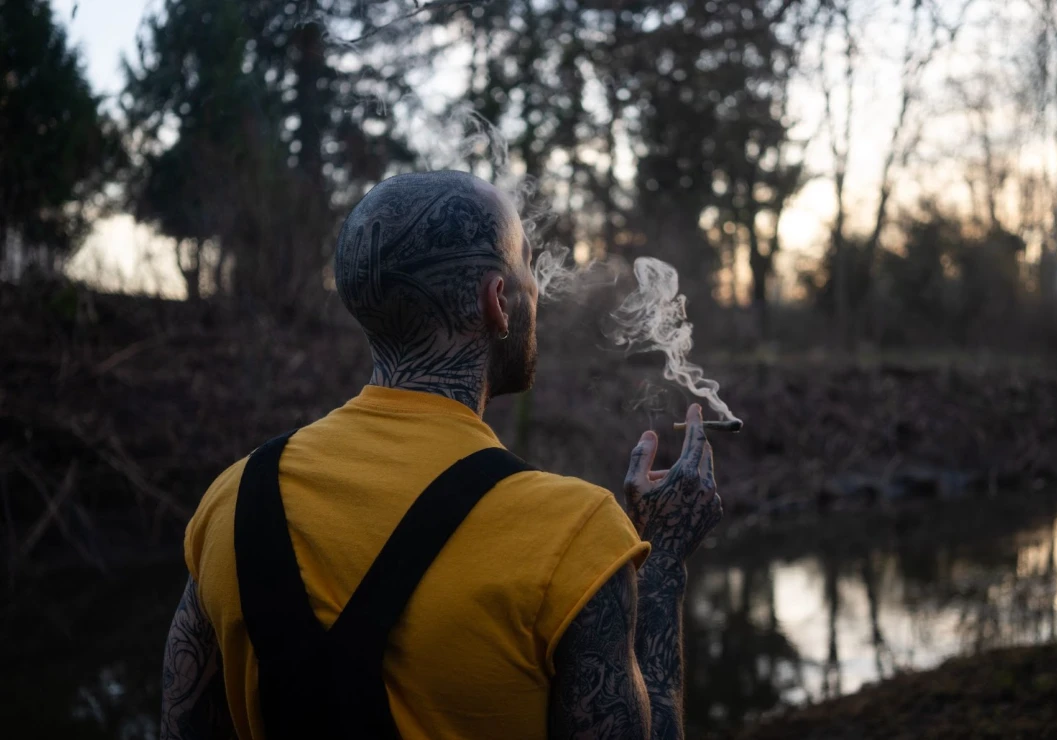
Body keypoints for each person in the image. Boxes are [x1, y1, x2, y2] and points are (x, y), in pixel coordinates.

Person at [160, 170, 723, 740]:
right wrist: (667, 562)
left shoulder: (230, 501)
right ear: (497, 301)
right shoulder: (573, 533)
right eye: (526, 264)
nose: (538, 287)